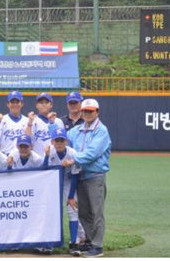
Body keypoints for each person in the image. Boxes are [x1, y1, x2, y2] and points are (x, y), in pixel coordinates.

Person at [62, 99, 112, 258]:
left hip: (95, 176)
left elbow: (92, 153)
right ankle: (90, 241)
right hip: (80, 176)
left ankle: (98, 246)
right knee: (83, 212)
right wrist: (51, 124)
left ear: (97, 112)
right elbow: (62, 138)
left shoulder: (101, 130)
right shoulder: (76, 130)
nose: (87, 114)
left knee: (96, 212)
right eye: (85, 111)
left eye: (90, 111)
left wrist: (73, 160)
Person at [43, 128, 85, 256]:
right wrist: (46, 156)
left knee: (73, 210)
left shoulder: (72, 153)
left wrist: (71, 196)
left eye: (62, 140)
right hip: (52, 182)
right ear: (52, 141)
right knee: (51, 211)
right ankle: (50, 242)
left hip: (68, 181)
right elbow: (43, 170)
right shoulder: (49, 151)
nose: (60, 143)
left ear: (66, 141)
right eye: (57, 140)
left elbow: (75, 175)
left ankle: (74, 243)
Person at [28, 92, 64, 158]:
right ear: (36, 105)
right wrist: (29, 123)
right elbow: (27, 140)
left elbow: (62, 142)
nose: (44, 104)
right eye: (41, 102)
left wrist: (52, 123)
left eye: (46, 102)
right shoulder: (32, 120)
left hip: (55, 159)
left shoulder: (58, 121)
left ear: (51, 105)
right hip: (38, 160)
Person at [0, 91, 31, 155]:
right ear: (8, 104)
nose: (15, 104)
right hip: (5, 156)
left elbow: (30, 141)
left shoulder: (27, 121)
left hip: (21, 157)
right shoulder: (2, 120)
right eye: (12, 102)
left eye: (17, 102)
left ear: (22, 104)